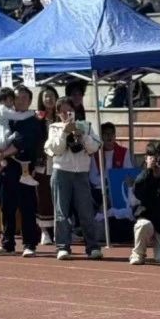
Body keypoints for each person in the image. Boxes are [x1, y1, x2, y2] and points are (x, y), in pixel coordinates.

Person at [0, 86, 44, 258]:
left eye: (24, 98)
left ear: (30, 101)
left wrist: (2, 154)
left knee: (27, 207)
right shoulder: (6, 116)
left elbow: (21, 142)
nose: (20, 101)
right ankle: (7, 244)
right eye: (17, 98)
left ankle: (30, 244)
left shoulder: (32, 121)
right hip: (6, 169)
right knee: (6, 207)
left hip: (24, 170)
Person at [45, 98, 103, 260]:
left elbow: (94, 147)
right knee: (61, 212)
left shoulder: (86, 126)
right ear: (58, 113)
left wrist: (82, 135)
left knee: (86, 211)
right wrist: (65, 132)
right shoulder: (54, 127)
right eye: (63, 112)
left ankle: (93, 247)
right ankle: (63, 247)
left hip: (81, 173)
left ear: (75, 111)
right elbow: (56, 149)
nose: (66, 115)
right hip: (61, 172)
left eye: (69, 111)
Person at [130, 142, 160, 265]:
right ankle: (138, 254)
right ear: (146, 158)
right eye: (152, 156)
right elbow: (137, 193)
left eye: (159, 156)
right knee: (143, 225)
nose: (156, 160)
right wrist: (148, 172)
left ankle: (158, 245)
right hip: (147, 217)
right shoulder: (143, 176)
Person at [34, 86, 59, 244]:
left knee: (58, 196)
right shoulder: (37, 118)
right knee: (43, 196)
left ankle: (59, 229)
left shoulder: (61, 116)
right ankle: (44, 231)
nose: (49, 99)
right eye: (46, 96)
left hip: (59, 162)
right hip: (42, 162)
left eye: (51, 96)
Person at [89, 121, 132, 211]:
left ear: (115, 136)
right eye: (106, 134)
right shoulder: (95, 153)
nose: (109, 137)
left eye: (111, 134)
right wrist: (108, 180)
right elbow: (92, 177)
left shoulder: (124, 152)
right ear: (101, 136)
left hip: (118, 188)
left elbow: (128, 173)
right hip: (100, 190)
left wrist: (113, 181)